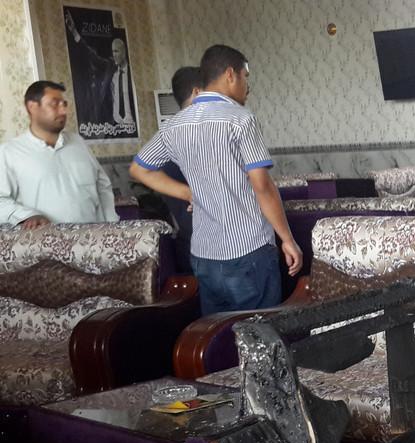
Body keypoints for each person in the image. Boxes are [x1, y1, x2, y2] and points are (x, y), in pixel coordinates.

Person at [129, 45, 302, 315]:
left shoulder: (175, 125)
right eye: (246, 76)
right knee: (260, 337)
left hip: (204, 254)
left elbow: (140, 170)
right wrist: (287, 238)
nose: (248, 85)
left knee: (218, 338)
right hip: (248, 248)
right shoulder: (240, 120)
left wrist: (188, 193)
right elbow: (262, 186)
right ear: (230, 75)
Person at [0, 81, 118, 229]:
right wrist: (27, 215)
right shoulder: (10, 152)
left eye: (64, 104)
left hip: (94, 243)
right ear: (32, 107)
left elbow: (103, 186)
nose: (63, 111)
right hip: (45, 247)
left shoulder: (78, 143)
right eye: (54, 104)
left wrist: (112, 226)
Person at [157, 66, 203, 274]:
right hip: (208, 249)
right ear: (197, 92)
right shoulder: (190, 137)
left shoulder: (168, 135)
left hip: (194, 245)